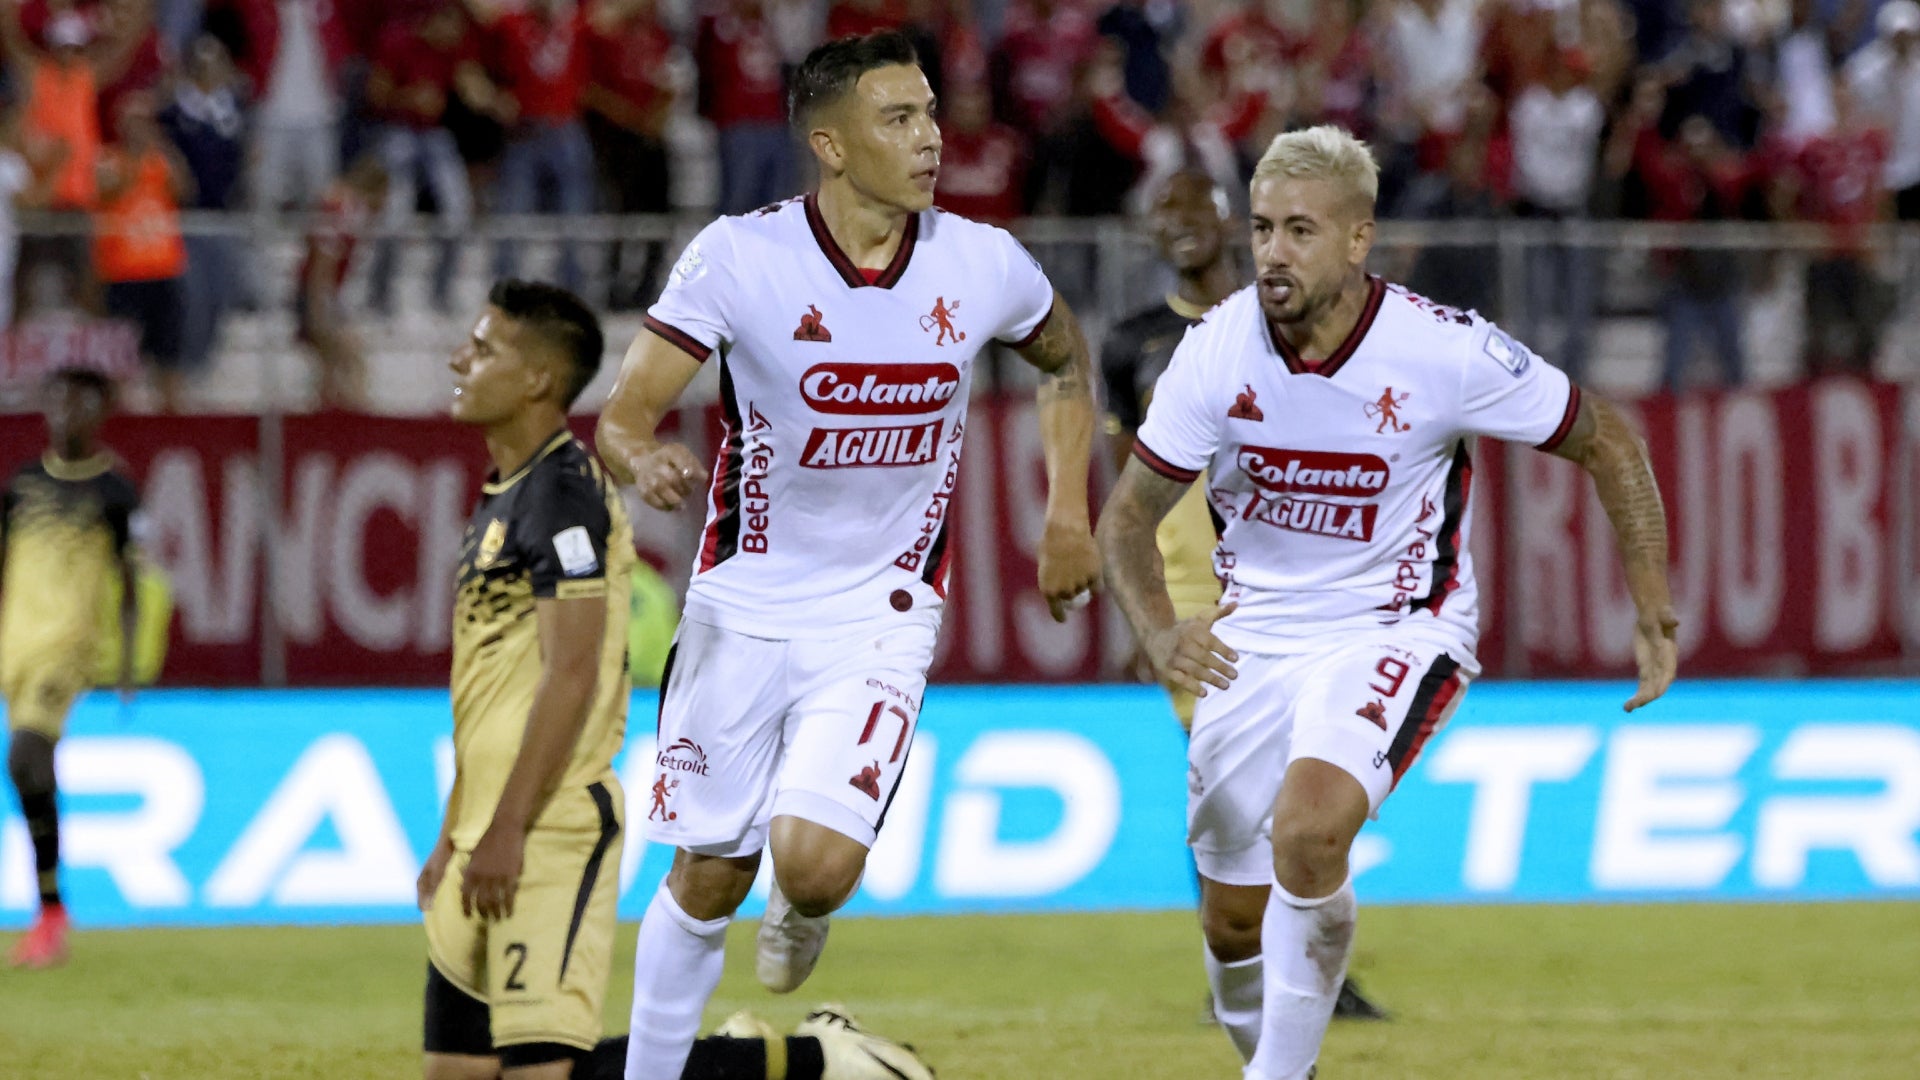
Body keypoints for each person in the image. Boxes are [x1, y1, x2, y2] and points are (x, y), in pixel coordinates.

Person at [1096, 126, 1678, 1080]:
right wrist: (1159, 632)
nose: (1273, 253)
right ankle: (1281, 1051)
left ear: (1358, 240)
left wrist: (1650, 600)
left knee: (1312, 829)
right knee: (1232, 918)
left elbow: (1606, 439)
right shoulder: (1214, 352)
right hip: (1254, 640)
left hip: (1397, 627)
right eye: (1262, 230)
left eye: (1300, 231)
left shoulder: (1442, 351)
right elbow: (1126, 520)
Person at [595, 31, 1100, 1080]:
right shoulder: (739, 258)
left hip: (885, 606)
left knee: (815, 868)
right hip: (743, 601)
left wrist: (1066, 512)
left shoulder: (982, 261)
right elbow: (621, 417)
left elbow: (1064, 359)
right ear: (829, 144)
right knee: (708, 872)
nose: (929, 141)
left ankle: (807, 905)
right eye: (898, 119)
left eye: (928, 115)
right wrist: (643, 463)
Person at [428, 280, 935, 1080]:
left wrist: (505, 826)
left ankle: (808, 1063)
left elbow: (568, 675)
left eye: (484, 347)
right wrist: (458, 824)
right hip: (484, 823)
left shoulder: (564, 498)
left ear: (536, 379)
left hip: (544, 823)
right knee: (462, 1073)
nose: (459, 358)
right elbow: (484, 689)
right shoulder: (501, 497)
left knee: (541, 1071)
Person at [1102, 168, 1389, 1027]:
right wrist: (1144, 610)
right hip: (1198, 591)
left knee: (1310, 777)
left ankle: (1294, 961)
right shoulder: (1132, 345)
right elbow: (1126, 489)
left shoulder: (1290, 323)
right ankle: (1248, 961)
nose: (1182, 225)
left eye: (1197, 207)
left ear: (1237, 223)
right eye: (1164, 211)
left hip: (1300, 579)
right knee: (1230, 788)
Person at [2, 367, 141, 970]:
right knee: (32, 769)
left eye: (81, 401)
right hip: (17, 644)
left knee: (25, 756)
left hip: (68, 647)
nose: (66, 411)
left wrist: (129, 663)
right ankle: (51, 911)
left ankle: (52, 910)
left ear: (101, 410)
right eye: (57, 398)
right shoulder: (21, 485)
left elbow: (131, 578)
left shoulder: (114, 491)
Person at [93, 91, 193, 411]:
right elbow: (109, 191)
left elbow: (186, 191)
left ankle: (171, 417)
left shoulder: (160, 162)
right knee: (121, 359)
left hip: (163, 270)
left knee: (168, 355)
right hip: (124, 273)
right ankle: (123, 420)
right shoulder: (109, 160)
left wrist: (160, 147)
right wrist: (136, 157)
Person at [295, 155, 387, 410]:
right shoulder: (347, 210)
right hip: (318, 292)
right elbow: (324, 257)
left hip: (318, 290)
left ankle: (325, 420)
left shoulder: (336, 204)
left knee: (329, 367)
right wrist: (320, 305)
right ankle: (359, 421)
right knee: (352, 360)